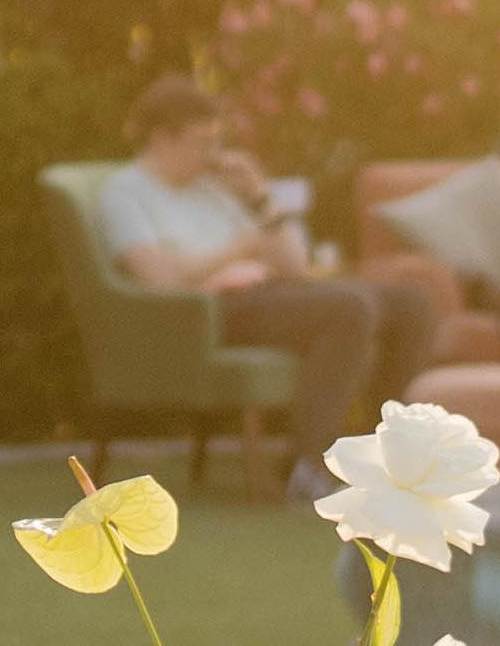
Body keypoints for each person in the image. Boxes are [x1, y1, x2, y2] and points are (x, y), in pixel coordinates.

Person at [96, 78, 452, 486]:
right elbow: (159, 278)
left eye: (217, 141)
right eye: (202, 142)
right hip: (204, 313)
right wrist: (238, 249)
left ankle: (388, 452)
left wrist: (261, 198)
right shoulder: (125, 192)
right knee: (351, 307)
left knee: (412, 301)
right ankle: (310, 465)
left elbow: (295, 267)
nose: (214, 154)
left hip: (265, 295)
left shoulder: (213, 188)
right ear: (162, 139)